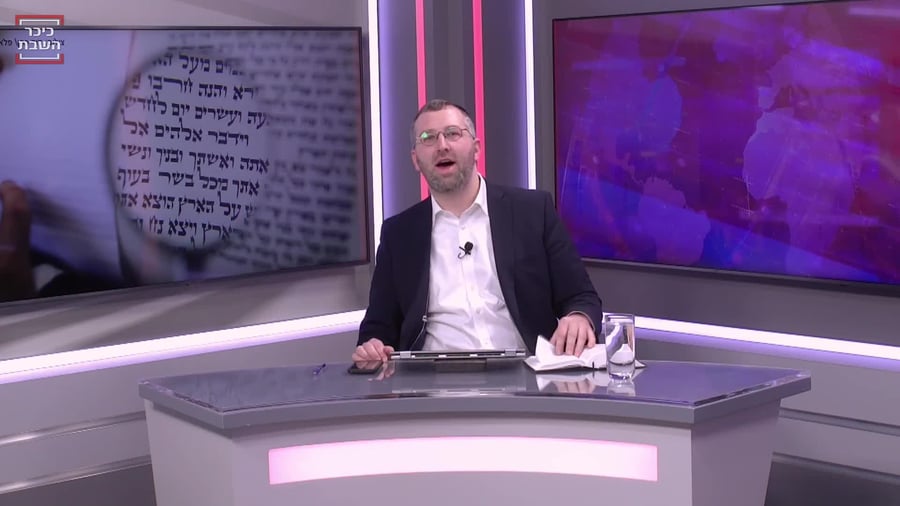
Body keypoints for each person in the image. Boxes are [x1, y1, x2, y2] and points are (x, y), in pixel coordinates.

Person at [352, 99, 603, 362]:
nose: (442, 146)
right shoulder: (399, 234)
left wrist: (578, 317)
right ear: (416, 159)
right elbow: (377, 327)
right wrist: (373, 346)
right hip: (433, 380)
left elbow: (581, 296)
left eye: (452, 133)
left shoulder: (532, 211)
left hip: (526, 372)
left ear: (476, 148)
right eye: (428, 138)